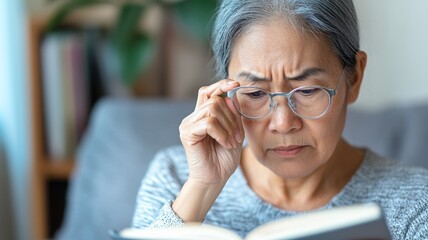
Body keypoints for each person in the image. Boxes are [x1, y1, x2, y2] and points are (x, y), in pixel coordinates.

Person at [132, 0, 428, 239]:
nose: (283, 123)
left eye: (308, 90)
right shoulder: (173, 179)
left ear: (355, 77)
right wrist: (203, 189)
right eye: (256, 93)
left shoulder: (415, 204)